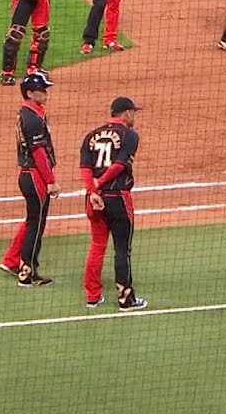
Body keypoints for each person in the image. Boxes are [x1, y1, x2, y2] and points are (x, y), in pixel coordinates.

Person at [80, 97, 147, 310]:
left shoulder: (91, 136)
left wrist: (92, 190)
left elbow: (85, 168)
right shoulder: (129, 135)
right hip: (117, 197)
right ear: (126, 113)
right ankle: (126, 298)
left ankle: (92, 296)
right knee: (122, 249)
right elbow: (119, 165)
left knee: (96, 246)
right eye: (133, 112)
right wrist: (100, 182)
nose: (134, 116)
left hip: (94, 199)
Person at [0, 71, 59, 287]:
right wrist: (50, 180)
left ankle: (16, 262)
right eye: (41, 90)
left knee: (33, 221)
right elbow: (38, 152)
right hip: (35, 175)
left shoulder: (29, 113)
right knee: (36, 224)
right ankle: (27, 273)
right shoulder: (32, 118)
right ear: (30, 93)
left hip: (28, 173)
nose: (46, 93)